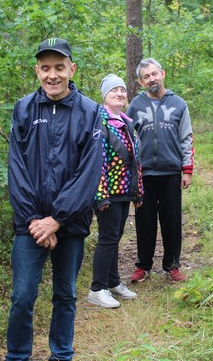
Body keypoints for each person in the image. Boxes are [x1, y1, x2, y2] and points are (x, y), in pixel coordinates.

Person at [5, 37, 102, 361]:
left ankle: (61, 355)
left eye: (59, 67)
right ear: (37, 71)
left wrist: (57, 219)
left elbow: (89, 172)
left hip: (70, 223)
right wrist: (36, 220)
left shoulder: (91, 112)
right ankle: (17, 355)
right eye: (45, 68)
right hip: (30, 224)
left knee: (65, 295)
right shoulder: (23, 109)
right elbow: (16, 168)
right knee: (22, 296)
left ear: (72, 69)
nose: (52, 75)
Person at [126, 58, 194, 284]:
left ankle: (172, 266)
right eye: (146, 76)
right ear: (141, 82)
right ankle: (143, 265)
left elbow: (186, 138)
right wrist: (130, 171)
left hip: (170, 171)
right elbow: (127, 138)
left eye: (154, 74)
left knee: (172, 221)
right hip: (144, 174)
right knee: (144, 222)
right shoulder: (136, 105)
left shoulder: (179, 104)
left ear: (163, 74)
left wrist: (187, 169)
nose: (151, 79)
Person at [86, 74, 144, 309]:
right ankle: (97, 289)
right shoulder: (99, 121)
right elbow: (97, 161)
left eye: (122, 90)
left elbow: (136, 160)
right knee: (108, 238)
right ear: (105, 96)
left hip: (124, 190)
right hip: (108, 192)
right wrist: (100, 196)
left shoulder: (125, 121)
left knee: (115, 237)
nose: (119, 94)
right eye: (114, 91)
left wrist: (138, 190)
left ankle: (112, 282)